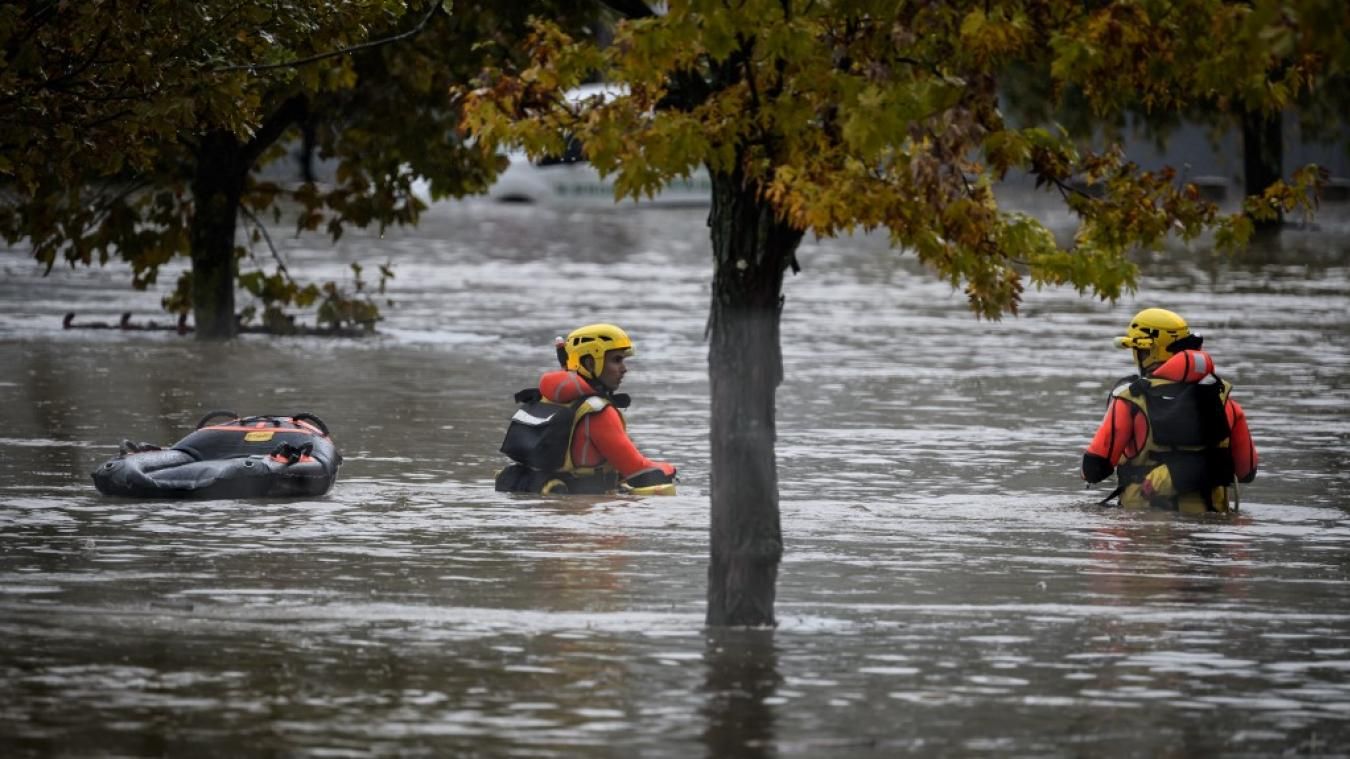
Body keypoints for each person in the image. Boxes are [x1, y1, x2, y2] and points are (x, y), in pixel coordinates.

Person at [1081, 308, 1257, 513]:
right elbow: (1246, 472)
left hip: (1144, 527)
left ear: (1148, 351)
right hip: (1210, 530)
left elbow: (1093, 470)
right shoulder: (1225, 401)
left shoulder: (1129, 401)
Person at [495, 323, 677, 495]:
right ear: (590, 363)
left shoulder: (545, 398)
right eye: (617, 360)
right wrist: (670, 468)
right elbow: (637, 470)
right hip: (582, 508)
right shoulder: (598, 412)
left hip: (546, 499)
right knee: (664, 485)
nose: (624, 369)